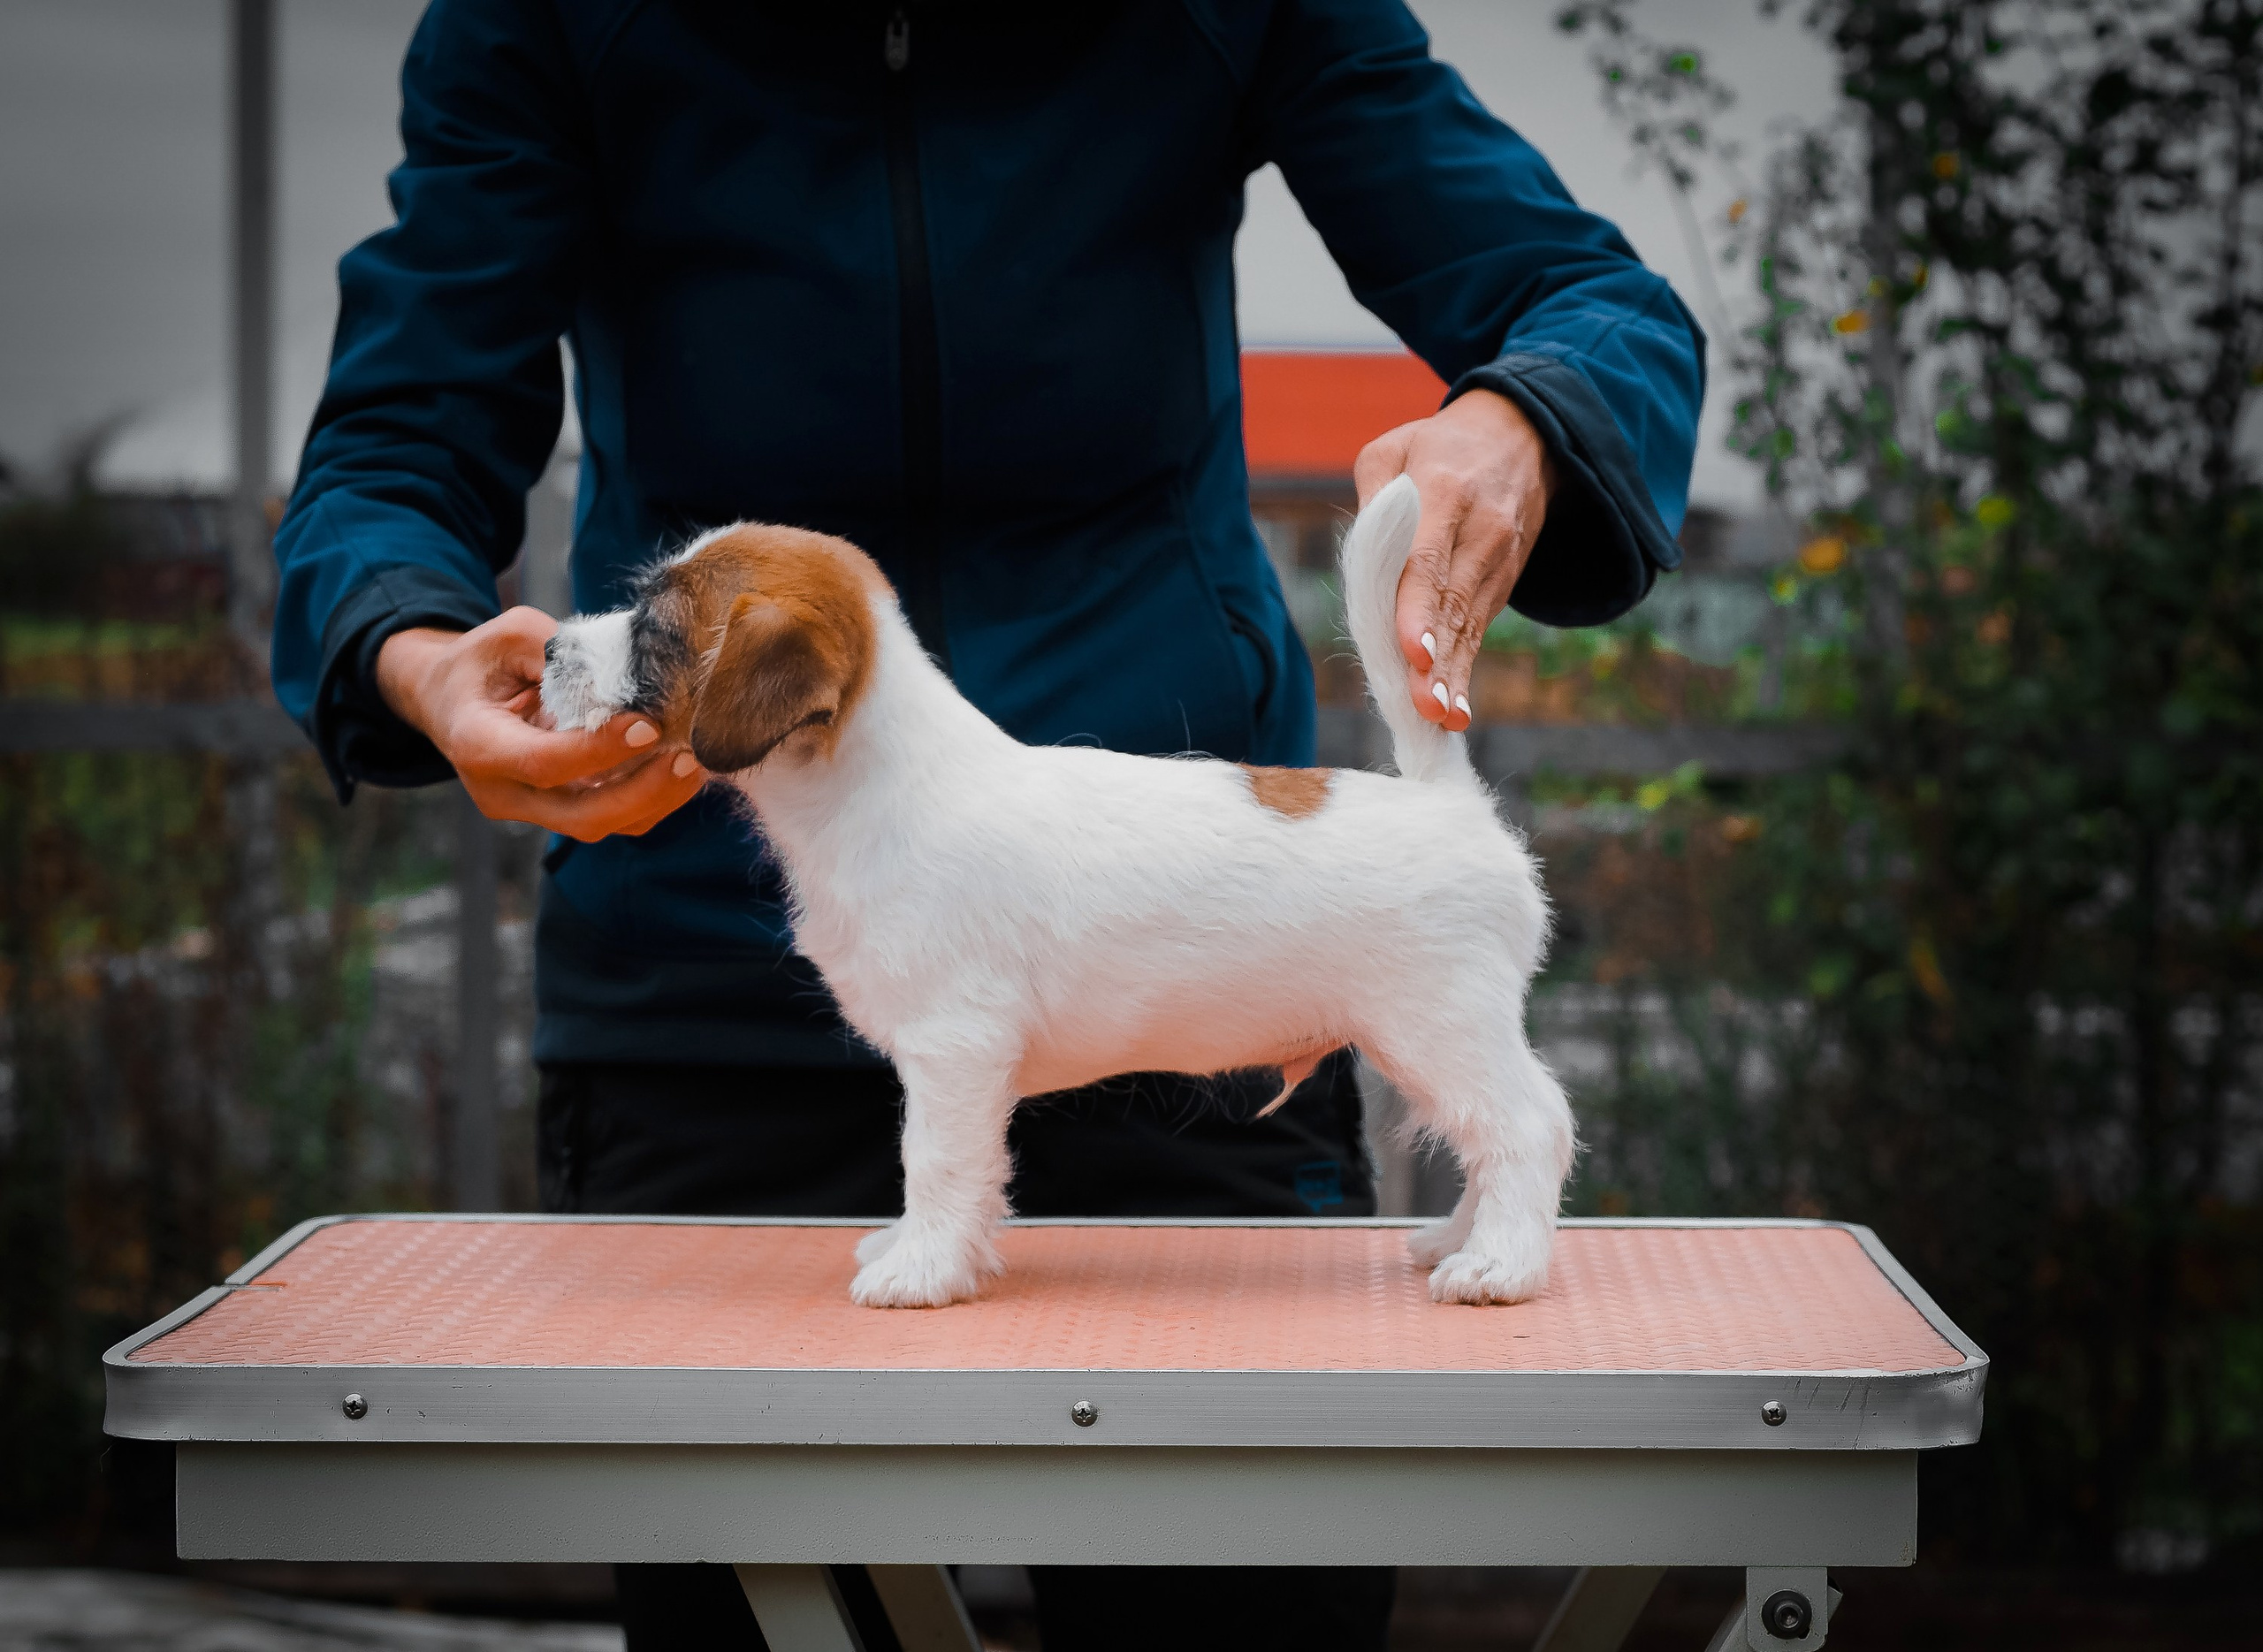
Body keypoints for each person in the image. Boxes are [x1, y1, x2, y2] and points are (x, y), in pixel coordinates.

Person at [270, 3, 1703, 1647]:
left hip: (1201, 1008)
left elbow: (1594, 304)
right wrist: (411, 644)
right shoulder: (543, 21)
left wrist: (1528, 413)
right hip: (698, 1032)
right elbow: (394, 432)